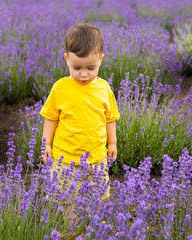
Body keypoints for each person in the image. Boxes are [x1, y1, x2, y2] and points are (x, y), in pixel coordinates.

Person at [39, 22, 120, 227]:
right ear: (67, 60)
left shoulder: (103, 88)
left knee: (100, 196)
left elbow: (110, 118)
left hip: (97, 157)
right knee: (68, 198)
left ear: (101, 61)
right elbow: (51, 118)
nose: (84, 74)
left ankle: (95, 227)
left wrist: (113, 143)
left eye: (91, 68)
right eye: (77, 68)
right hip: (66, 159)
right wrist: (46, 144)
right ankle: (72, 229)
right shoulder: (61, 87)